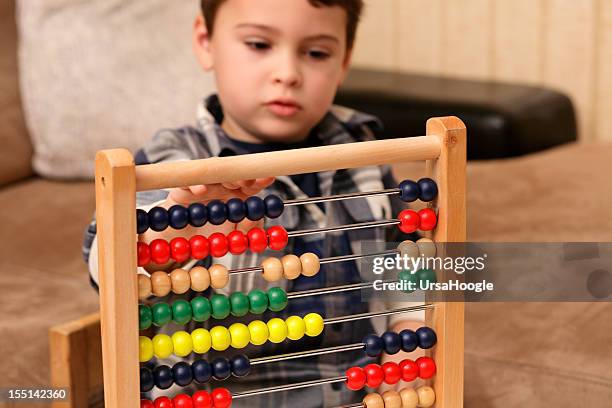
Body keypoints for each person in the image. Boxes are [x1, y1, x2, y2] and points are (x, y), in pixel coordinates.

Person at [83, 0, 425, 405]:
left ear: (345, 61)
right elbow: (105, 266)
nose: (288, 74)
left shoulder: (362, 150)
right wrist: (176, 233)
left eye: (316, 53)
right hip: (215, 393)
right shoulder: (174, 162)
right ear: (206, 42)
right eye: (259, 44)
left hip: (358, 389)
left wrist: (411, 329)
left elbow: (403, 254)